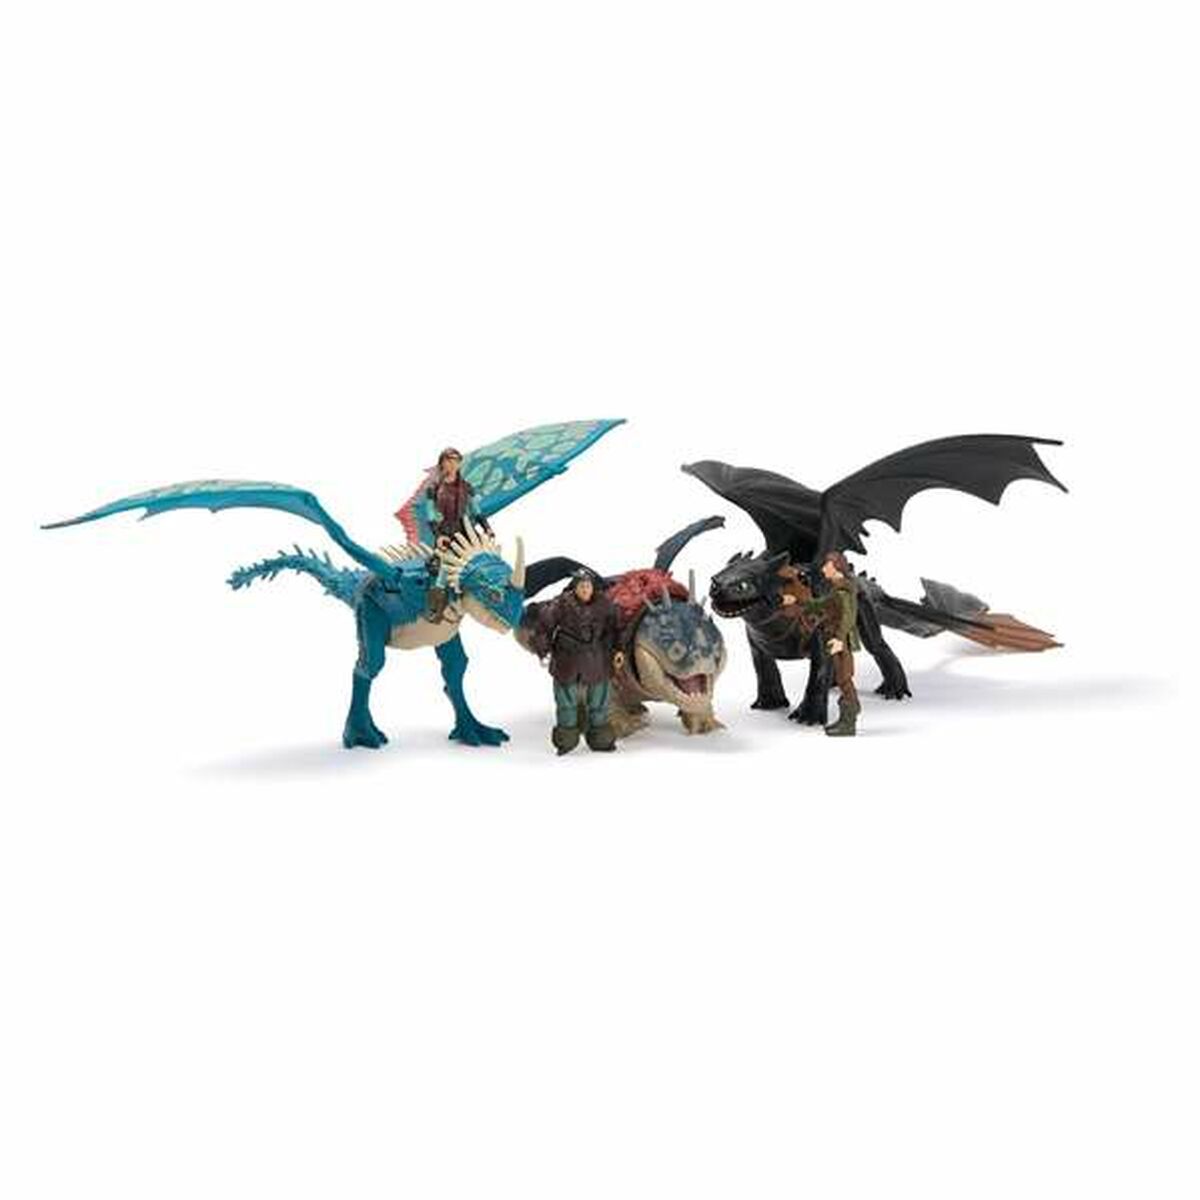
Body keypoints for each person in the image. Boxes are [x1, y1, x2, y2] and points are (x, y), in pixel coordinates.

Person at [522, 569, 625, 755]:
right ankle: (566, 740)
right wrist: (542, 649)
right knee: (566, 703)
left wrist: (618, 649)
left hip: (597, 658)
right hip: (568, 659)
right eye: (581, 586)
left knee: (599, 702)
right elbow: (544, 626)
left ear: (593, 587)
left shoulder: (605, 605)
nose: (585, 589)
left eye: (588, 586)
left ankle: (600, 738)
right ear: (575, 587)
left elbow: (615, 628)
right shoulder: (561, 604)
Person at [794, 551, 861, 737]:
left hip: (840, 641)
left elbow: (848, 618)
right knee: (841, 677)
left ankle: (849, 721)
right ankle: (848, 717)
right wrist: (798, 601)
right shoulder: (836, 589)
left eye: (827, 566)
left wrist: (839, 639)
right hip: (835, 638)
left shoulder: (842, 591)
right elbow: (821, 604)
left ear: (836, 567)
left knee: (844, 679)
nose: (823, 569)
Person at [421, 448, 491, 622]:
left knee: (483, 558)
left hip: (465, 530)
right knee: (446, 568)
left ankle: (483, 597)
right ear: (442, 463)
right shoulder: (433, 488)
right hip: (445, 532)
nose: (453, 464)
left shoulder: (466, 487)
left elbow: (476, 510)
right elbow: (430, 515)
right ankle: (435, 610)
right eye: (449, 460)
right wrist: (438, 535)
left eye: (456, 460)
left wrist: (486, 527)